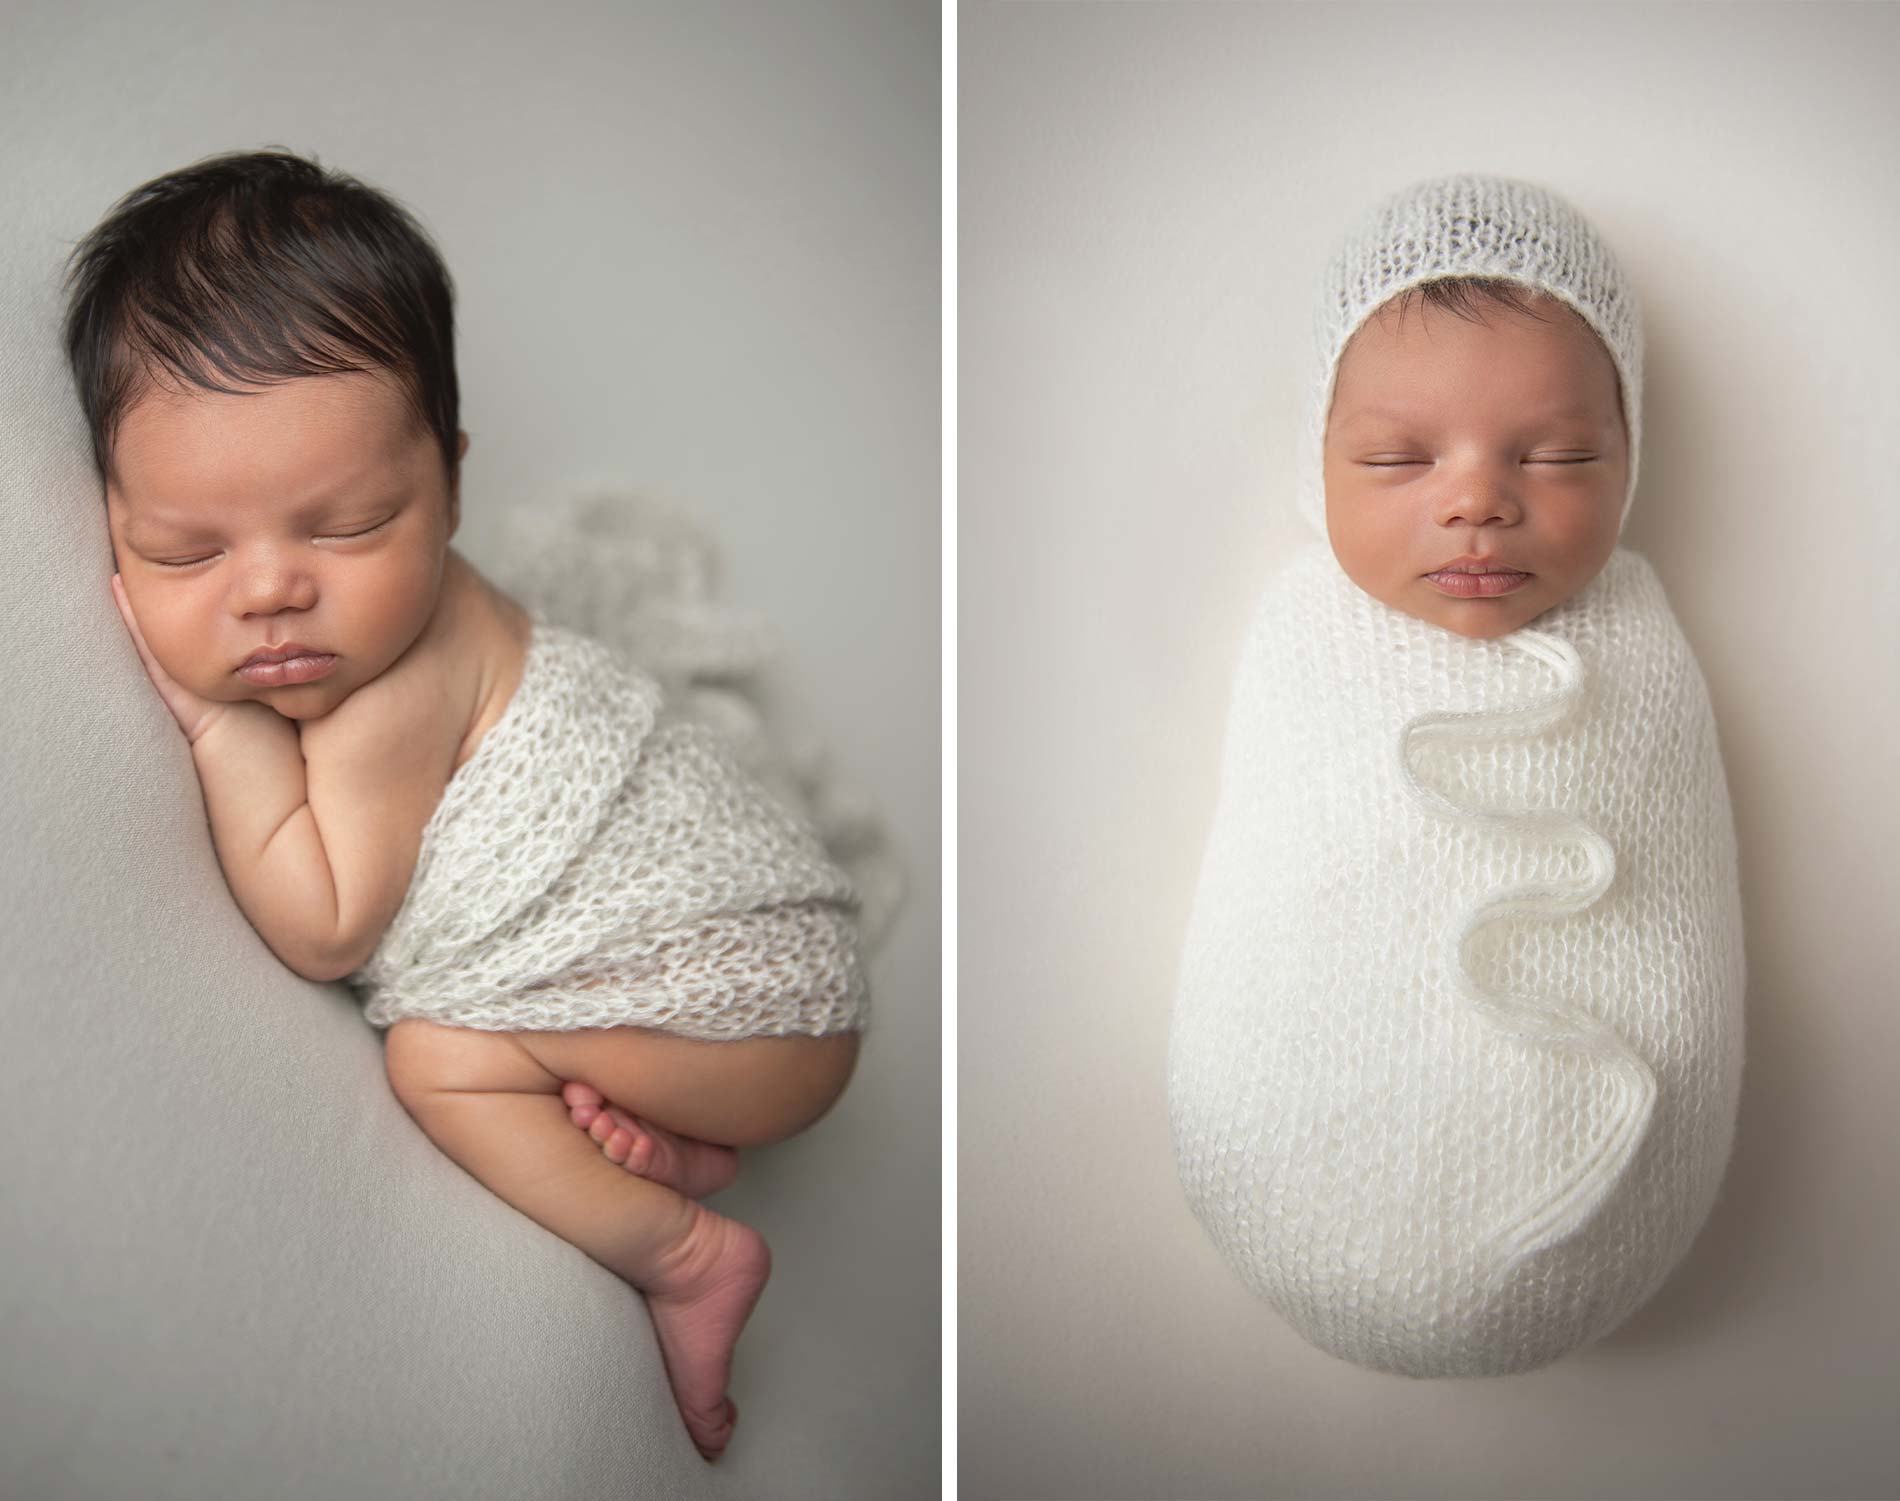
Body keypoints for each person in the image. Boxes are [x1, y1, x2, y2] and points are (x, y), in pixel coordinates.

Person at [66, 147, 869, 1461]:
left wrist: (219, 725)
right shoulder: (380, 616)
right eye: (184, 551)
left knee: (437, 1056)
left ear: (448, 486)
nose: (268, 589)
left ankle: (683, 1249)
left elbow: (325, 920)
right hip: (747, 998)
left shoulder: (393, 691)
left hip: (769, 1014)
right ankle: (662, 1128)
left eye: (348, 527)